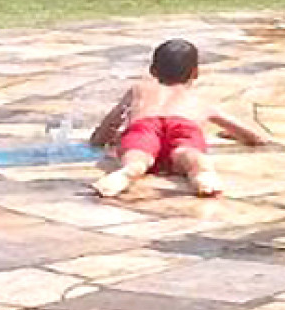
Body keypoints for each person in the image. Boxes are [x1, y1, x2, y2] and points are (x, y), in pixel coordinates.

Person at [89, 39, 270, 199]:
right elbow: (256, 137)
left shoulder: (139, 90)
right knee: (189, 154)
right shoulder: (200, 101)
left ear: (152, 70)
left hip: (145, 126)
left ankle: (128, 171)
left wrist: (99, 139)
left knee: (138, 156)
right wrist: (233, 135)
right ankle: (202, 174)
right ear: (195, 73)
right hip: (184, 127)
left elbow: (111, 123)